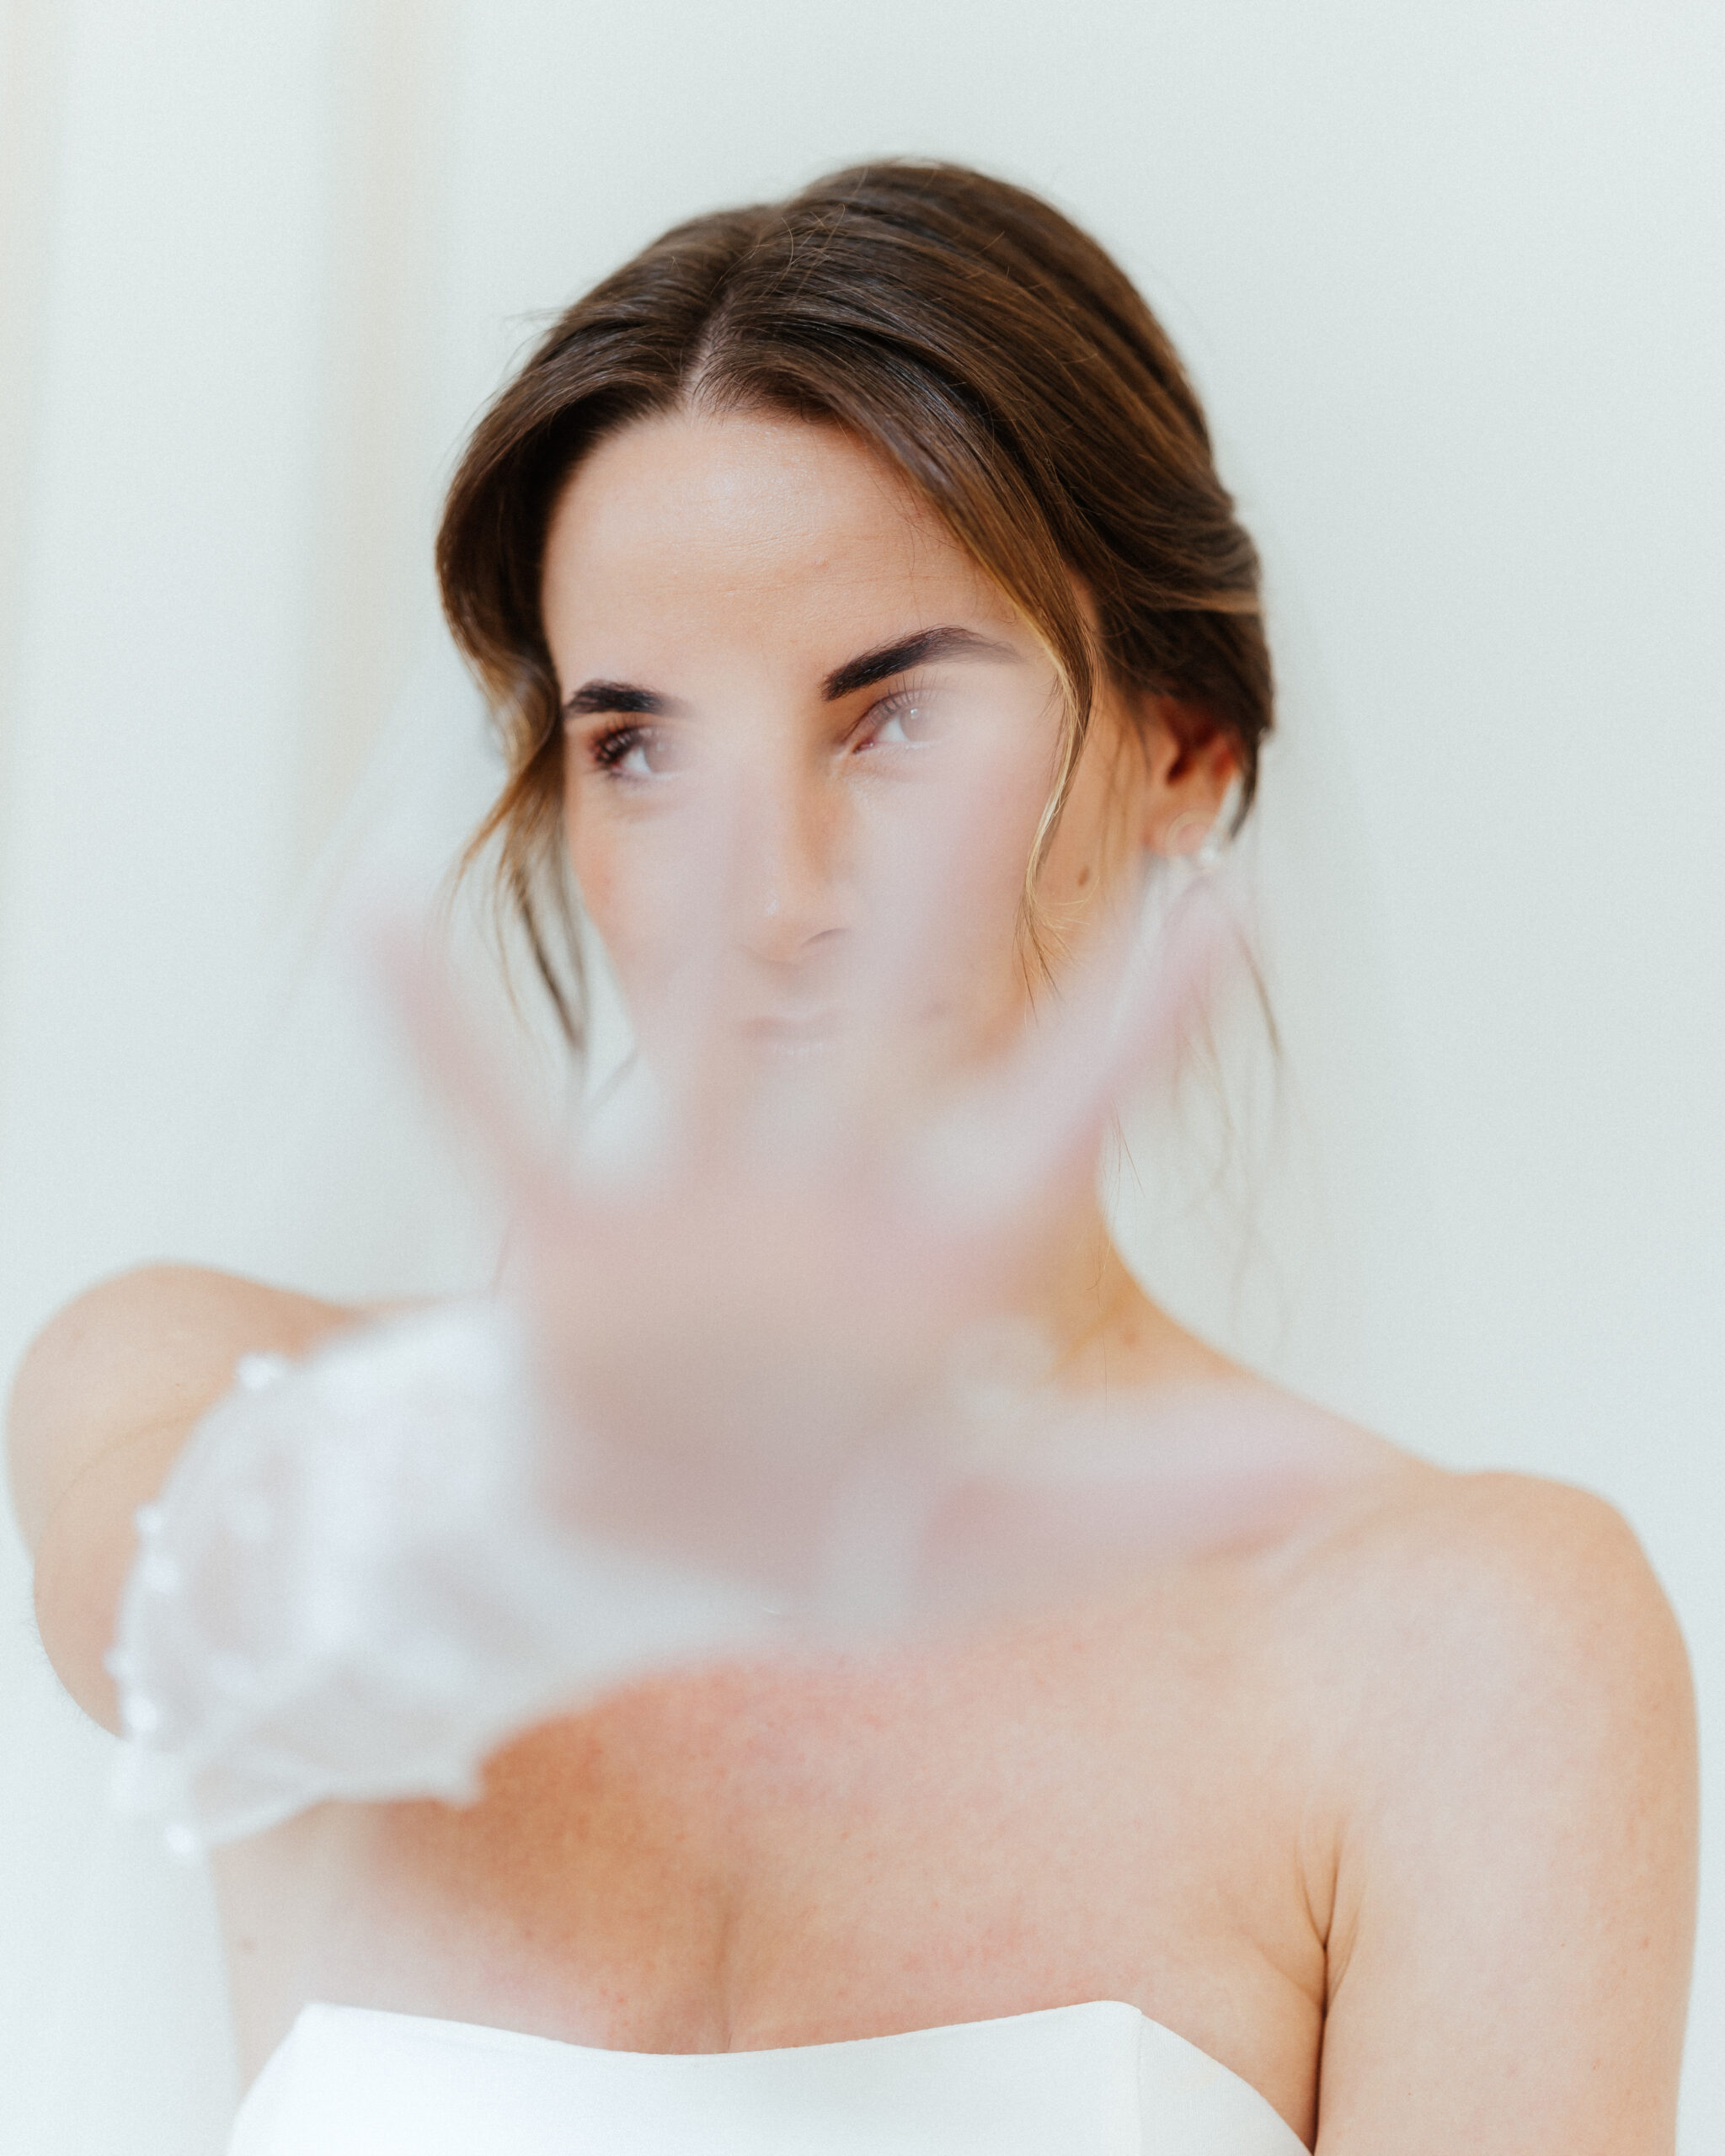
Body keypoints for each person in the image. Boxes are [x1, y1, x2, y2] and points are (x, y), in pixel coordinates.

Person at [3, 162, 1696, 2154]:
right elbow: (178, 1620)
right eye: (639, 746)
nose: (772, 893)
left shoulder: (1474, 1641)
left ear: (1180, 742)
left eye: (894, 718)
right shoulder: (186, 1382)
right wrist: (562, 1458)